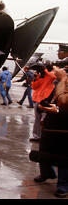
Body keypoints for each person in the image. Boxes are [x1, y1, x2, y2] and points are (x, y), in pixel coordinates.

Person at [31, 66, 68, 198]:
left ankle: (63, 184)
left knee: (63, 156)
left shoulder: (63, 82)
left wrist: (56, 109)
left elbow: (63, 103)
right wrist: (43, 105)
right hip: (50, 125)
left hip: (64, 127)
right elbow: (51, 99)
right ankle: (47, 173)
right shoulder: (59, 83)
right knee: (44, 151)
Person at [30, 62, 56, 141]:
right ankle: (36, 136)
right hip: (38, 100)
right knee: (37, 119)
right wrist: (35, 78)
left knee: (43, 119)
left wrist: (45, 71)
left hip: (46, 100)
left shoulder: (50, 76)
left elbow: (53, 77)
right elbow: (34, 87)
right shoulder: (40, 77)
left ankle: (44, 136)